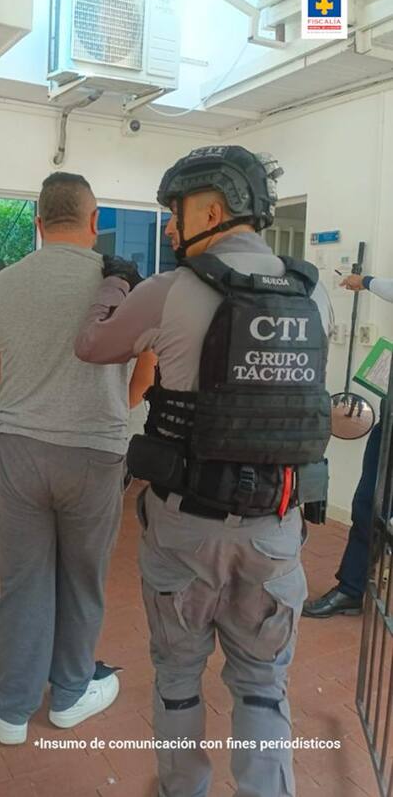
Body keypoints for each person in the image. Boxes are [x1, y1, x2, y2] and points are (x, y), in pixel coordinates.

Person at [74, 146, 332, 797]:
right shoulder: (312, 295)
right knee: (263, 685)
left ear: (213, 211)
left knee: (178, 678)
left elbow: (91, 346)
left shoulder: (168, 291)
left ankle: (182, 787)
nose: (169, 226)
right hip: (275, 530)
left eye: (176, 211)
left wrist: (114, 284)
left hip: (185, 528)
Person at [0, 171, 156, 744]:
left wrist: (26, 405)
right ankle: (71, 695)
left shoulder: (6, 281)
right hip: (95, 453)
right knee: (82, 577)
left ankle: (12, 707)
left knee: (23, 578)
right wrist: (118, 407)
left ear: (38, 222)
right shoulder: (122, 284)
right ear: (94, 220)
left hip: (21, 449)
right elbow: (148, 368)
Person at [303, 270, 393, 618]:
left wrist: (366, 282)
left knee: (372, 505)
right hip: (389, 424)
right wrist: (365, 282)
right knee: (369, 505)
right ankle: (353, 589)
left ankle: (354, 588)